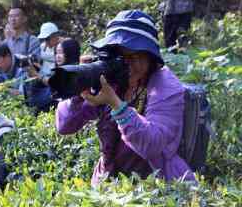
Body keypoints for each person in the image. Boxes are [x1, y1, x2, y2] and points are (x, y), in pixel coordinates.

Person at [55, 10, 195, 186]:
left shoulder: (164, 85)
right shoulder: (111, 76)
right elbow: (64, 126)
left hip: (156, 186)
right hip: (107, 183)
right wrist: (79, 90)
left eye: (134, 56)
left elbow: (152, 145)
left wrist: (116, 104)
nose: (127, 63)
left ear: (150, 57)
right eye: (120, 56)